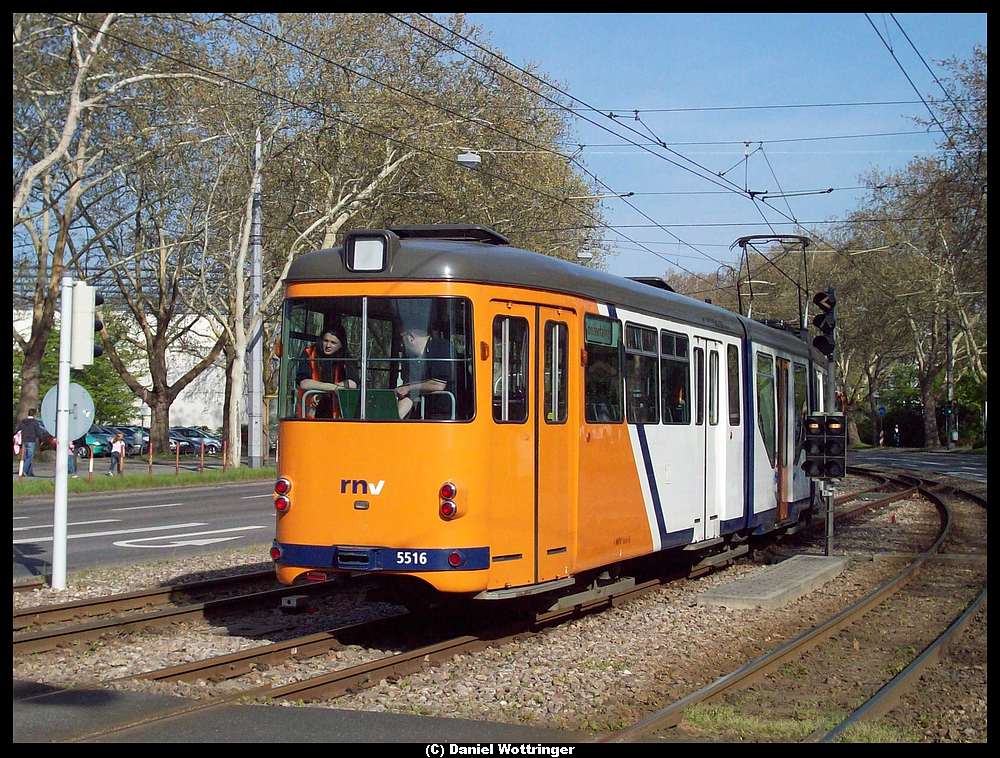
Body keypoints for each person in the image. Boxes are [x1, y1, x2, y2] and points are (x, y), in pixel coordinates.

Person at [296, 324, 357, 419]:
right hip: (309, 414)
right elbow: (304, 383)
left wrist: (322, 390)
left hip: (337, 416)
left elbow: (352, 384)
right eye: (326, 341)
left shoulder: (346, 357)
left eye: (333, 342)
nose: (328, 345)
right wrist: (333, 389)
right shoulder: (309, 353)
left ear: (341, 344)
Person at [395, 325, 455, 419]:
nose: (401, 345)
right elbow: (409, 394)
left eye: (401, 339)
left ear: (411, 338)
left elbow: (438, 384)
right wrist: (392, 420)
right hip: (424, 412)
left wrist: (409, 388)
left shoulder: (441, 347)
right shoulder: (412, 360)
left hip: (446, 414)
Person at [14, 408, 50, 477]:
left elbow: (17, 429)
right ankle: (23, 471)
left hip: (24, 441)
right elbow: (38, 432)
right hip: (31, 440)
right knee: (29, 456)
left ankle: (30, 472)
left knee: (27, 456)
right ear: (34, 414)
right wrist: (42, 438)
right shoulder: (34, 422)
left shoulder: (23, 421)